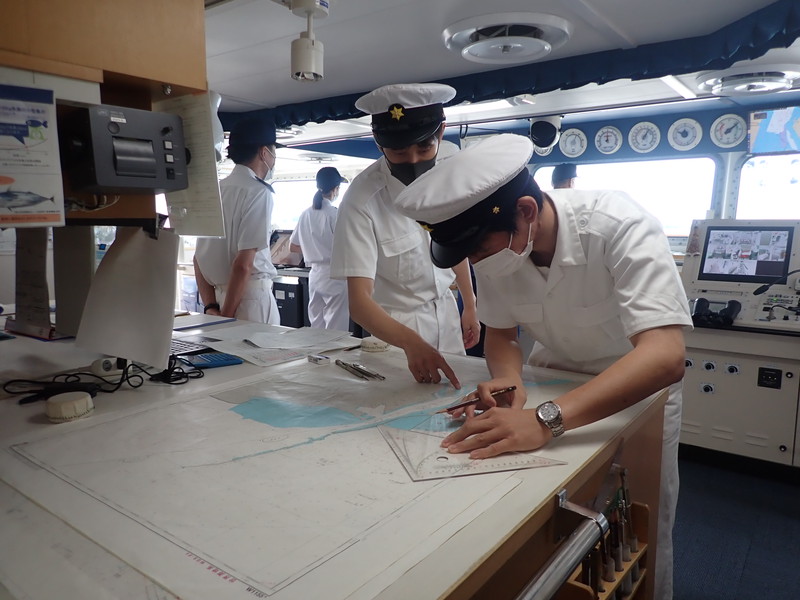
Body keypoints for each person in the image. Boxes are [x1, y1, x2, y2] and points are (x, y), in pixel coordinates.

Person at [394, 133, 692, 600]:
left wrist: (543, 420)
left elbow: (666, 355)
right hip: (551, 385)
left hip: (635, 393)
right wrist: (508, 378)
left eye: (480, 251)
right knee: (552, 532)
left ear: (527, 211)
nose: (476, 262)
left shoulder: (619, 224)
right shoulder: (501, 247)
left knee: (637, 525)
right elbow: (502, 333)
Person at [330, 83, 480, 388]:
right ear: (379, 143)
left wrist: (470, 303)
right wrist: (411, 343)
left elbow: (452, 244)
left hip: (447, 313)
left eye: (424, 148)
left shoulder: (448, 171)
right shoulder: (362, 199)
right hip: (396, 332)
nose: (413, 161)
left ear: (441, 133)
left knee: (458, 400)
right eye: (399, 152)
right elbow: (359, 302)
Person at [194, 116, 281, 324]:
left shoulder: (214, 191)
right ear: (264, 152)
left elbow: (198, 260)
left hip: (218, 300)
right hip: (250, 301)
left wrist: (210, 307)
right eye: (274, 151)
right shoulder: (258, 192)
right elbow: (243, 264)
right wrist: (227, 317)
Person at [290, 167, 350, 331]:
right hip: (334, 275)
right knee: (336, 328)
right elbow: (347, 246)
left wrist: (313, 250)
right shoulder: (334, 214)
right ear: (336, 189)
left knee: (316, 326)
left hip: (315, 275)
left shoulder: (306, 213)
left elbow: (293, 246)